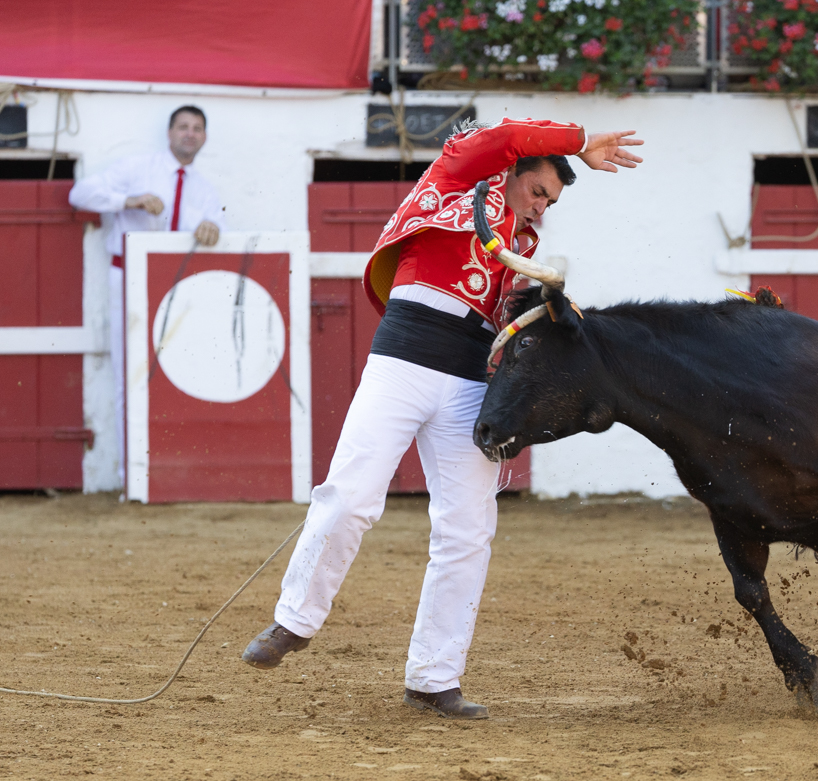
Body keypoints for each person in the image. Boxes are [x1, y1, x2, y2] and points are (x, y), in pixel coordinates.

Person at [241, 117, 643, 720]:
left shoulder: (525, 251)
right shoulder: (457, 178)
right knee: (349, 496)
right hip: (401, 362)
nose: (540, 211)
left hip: (466, 382)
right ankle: (293, 621)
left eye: (550, 204)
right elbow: (505, 134)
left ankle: (434, 677)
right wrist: (578, 142)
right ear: (510, 173)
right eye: (538, 192)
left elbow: (517, 335)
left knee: (467, 529)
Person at [69, 105, 224, 487]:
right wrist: (130, 200)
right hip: (129, 279)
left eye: (197, 128)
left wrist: (213, 228)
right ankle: (131, 476)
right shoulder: (137, 169)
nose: (190, 134)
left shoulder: (205, 189)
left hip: (177, 288)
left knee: (178, 372)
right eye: (184, 127)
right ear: (169, 133)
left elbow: (217, 223)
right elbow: (79, 193)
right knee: (130, 373)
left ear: (204, 137)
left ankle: (172, 472)